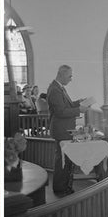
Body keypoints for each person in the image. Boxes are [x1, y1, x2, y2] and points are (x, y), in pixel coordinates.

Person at [47, 65, 88, 197]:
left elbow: (66, 106)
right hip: (61, 130)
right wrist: (79, 110)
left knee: (65, 160)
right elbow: (60, 112)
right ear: (62, 74)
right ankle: (60, 188)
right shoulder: (55, 90)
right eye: (69, 76)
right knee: (62, 161)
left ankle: (65, 186)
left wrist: (77, 103)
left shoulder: (59, 88)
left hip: (65, 129)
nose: (71, 79)